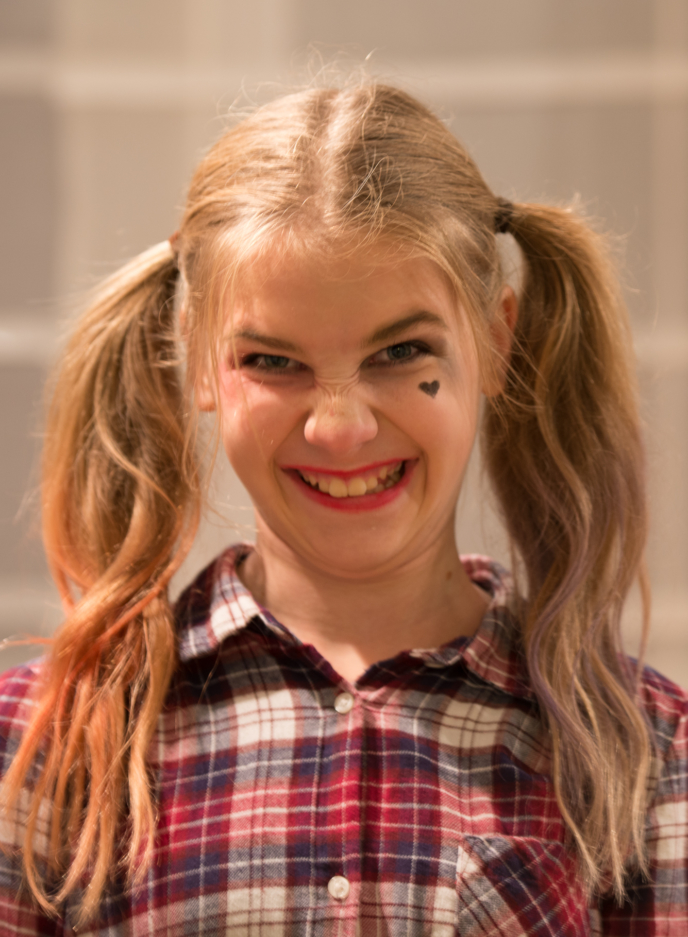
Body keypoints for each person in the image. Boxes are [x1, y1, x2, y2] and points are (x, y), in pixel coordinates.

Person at [0, 81, 685, 936]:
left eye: (401, 352)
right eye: (271, 361)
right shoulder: (42, 747)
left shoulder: (651, 758)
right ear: (200, 361)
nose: (339, 427)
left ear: (496, 341)